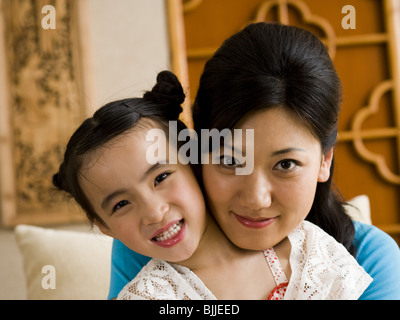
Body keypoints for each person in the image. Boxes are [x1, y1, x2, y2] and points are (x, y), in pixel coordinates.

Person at [107, 23, 400, 300]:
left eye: (285, 165)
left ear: (325, 160)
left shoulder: (369, 258)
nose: (256, 198)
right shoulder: (158, 239)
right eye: (229, 161)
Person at [53, 70, 371, 300]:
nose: (154, 211)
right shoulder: (149, 296)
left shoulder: (310, 252)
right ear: (103, 226)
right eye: (121, 204)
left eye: (161, 178)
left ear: (195, 162)